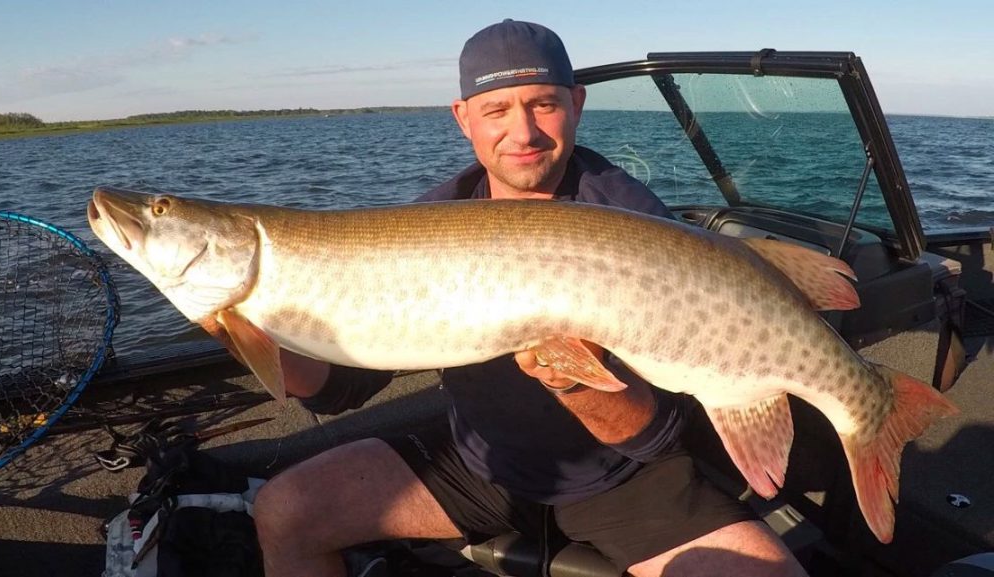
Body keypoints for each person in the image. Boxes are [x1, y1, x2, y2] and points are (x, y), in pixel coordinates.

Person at [253, 19, 808, 577]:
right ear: (463, 117)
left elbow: (659, 433)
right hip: (481, 462)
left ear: (576, 104)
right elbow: (343, 384)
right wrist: (253, 330)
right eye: (496, 110)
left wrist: (570, 377)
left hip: (621, 480)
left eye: (543, 105)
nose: (523, 133)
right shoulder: (426, 223)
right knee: (285, 511)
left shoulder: (633, 220)